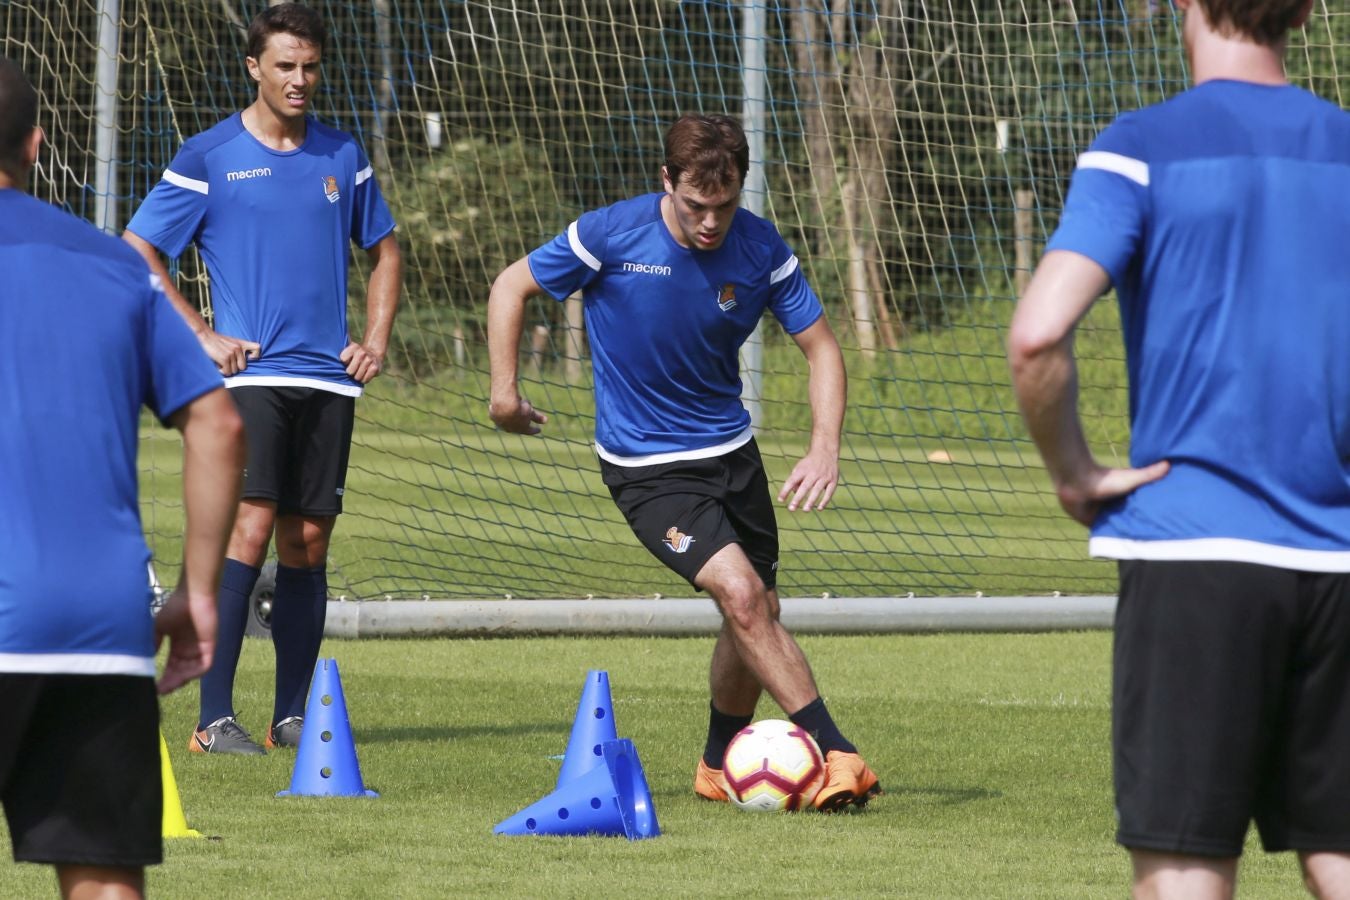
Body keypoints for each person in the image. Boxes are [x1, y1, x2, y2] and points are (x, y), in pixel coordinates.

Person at [1008, 1, 1350, 896]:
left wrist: (1074, 471)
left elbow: (1037, 337)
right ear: (1307, 14)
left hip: (1195, 552)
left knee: (1185, 872)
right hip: (1343, 558)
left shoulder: (1140, 145)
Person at [488, 113, 879, 811]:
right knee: (742, 596)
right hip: (647, 471)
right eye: (696, 206)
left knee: (758, 610)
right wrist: (504, 392)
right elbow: (509, 286)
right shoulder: (610, 234)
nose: (710, 222)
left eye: (724, 206)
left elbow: (821, 347)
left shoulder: (760, 249)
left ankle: (711, 766)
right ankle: (837, 751)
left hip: (734, 456)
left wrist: (824, 446)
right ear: (665, 181)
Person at [123, 2, 402, 756]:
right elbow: (141, 249)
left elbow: (386, 251)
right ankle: (214, 720)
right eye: (285, 65)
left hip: (330, 381)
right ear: (254, 68)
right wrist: (203, 335)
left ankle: (290, 718)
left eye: (310, 65)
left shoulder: (343, 155)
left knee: (308, 540)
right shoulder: (210, 155)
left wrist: (373, 340)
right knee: (249, 526)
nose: (299, 79)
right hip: (252, 377)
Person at [0, 59, 244, 900]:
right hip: (94, 623)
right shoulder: (113, 268)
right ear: (36, 145)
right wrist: (198, 593)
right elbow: (218, 421)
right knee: (104, 883)